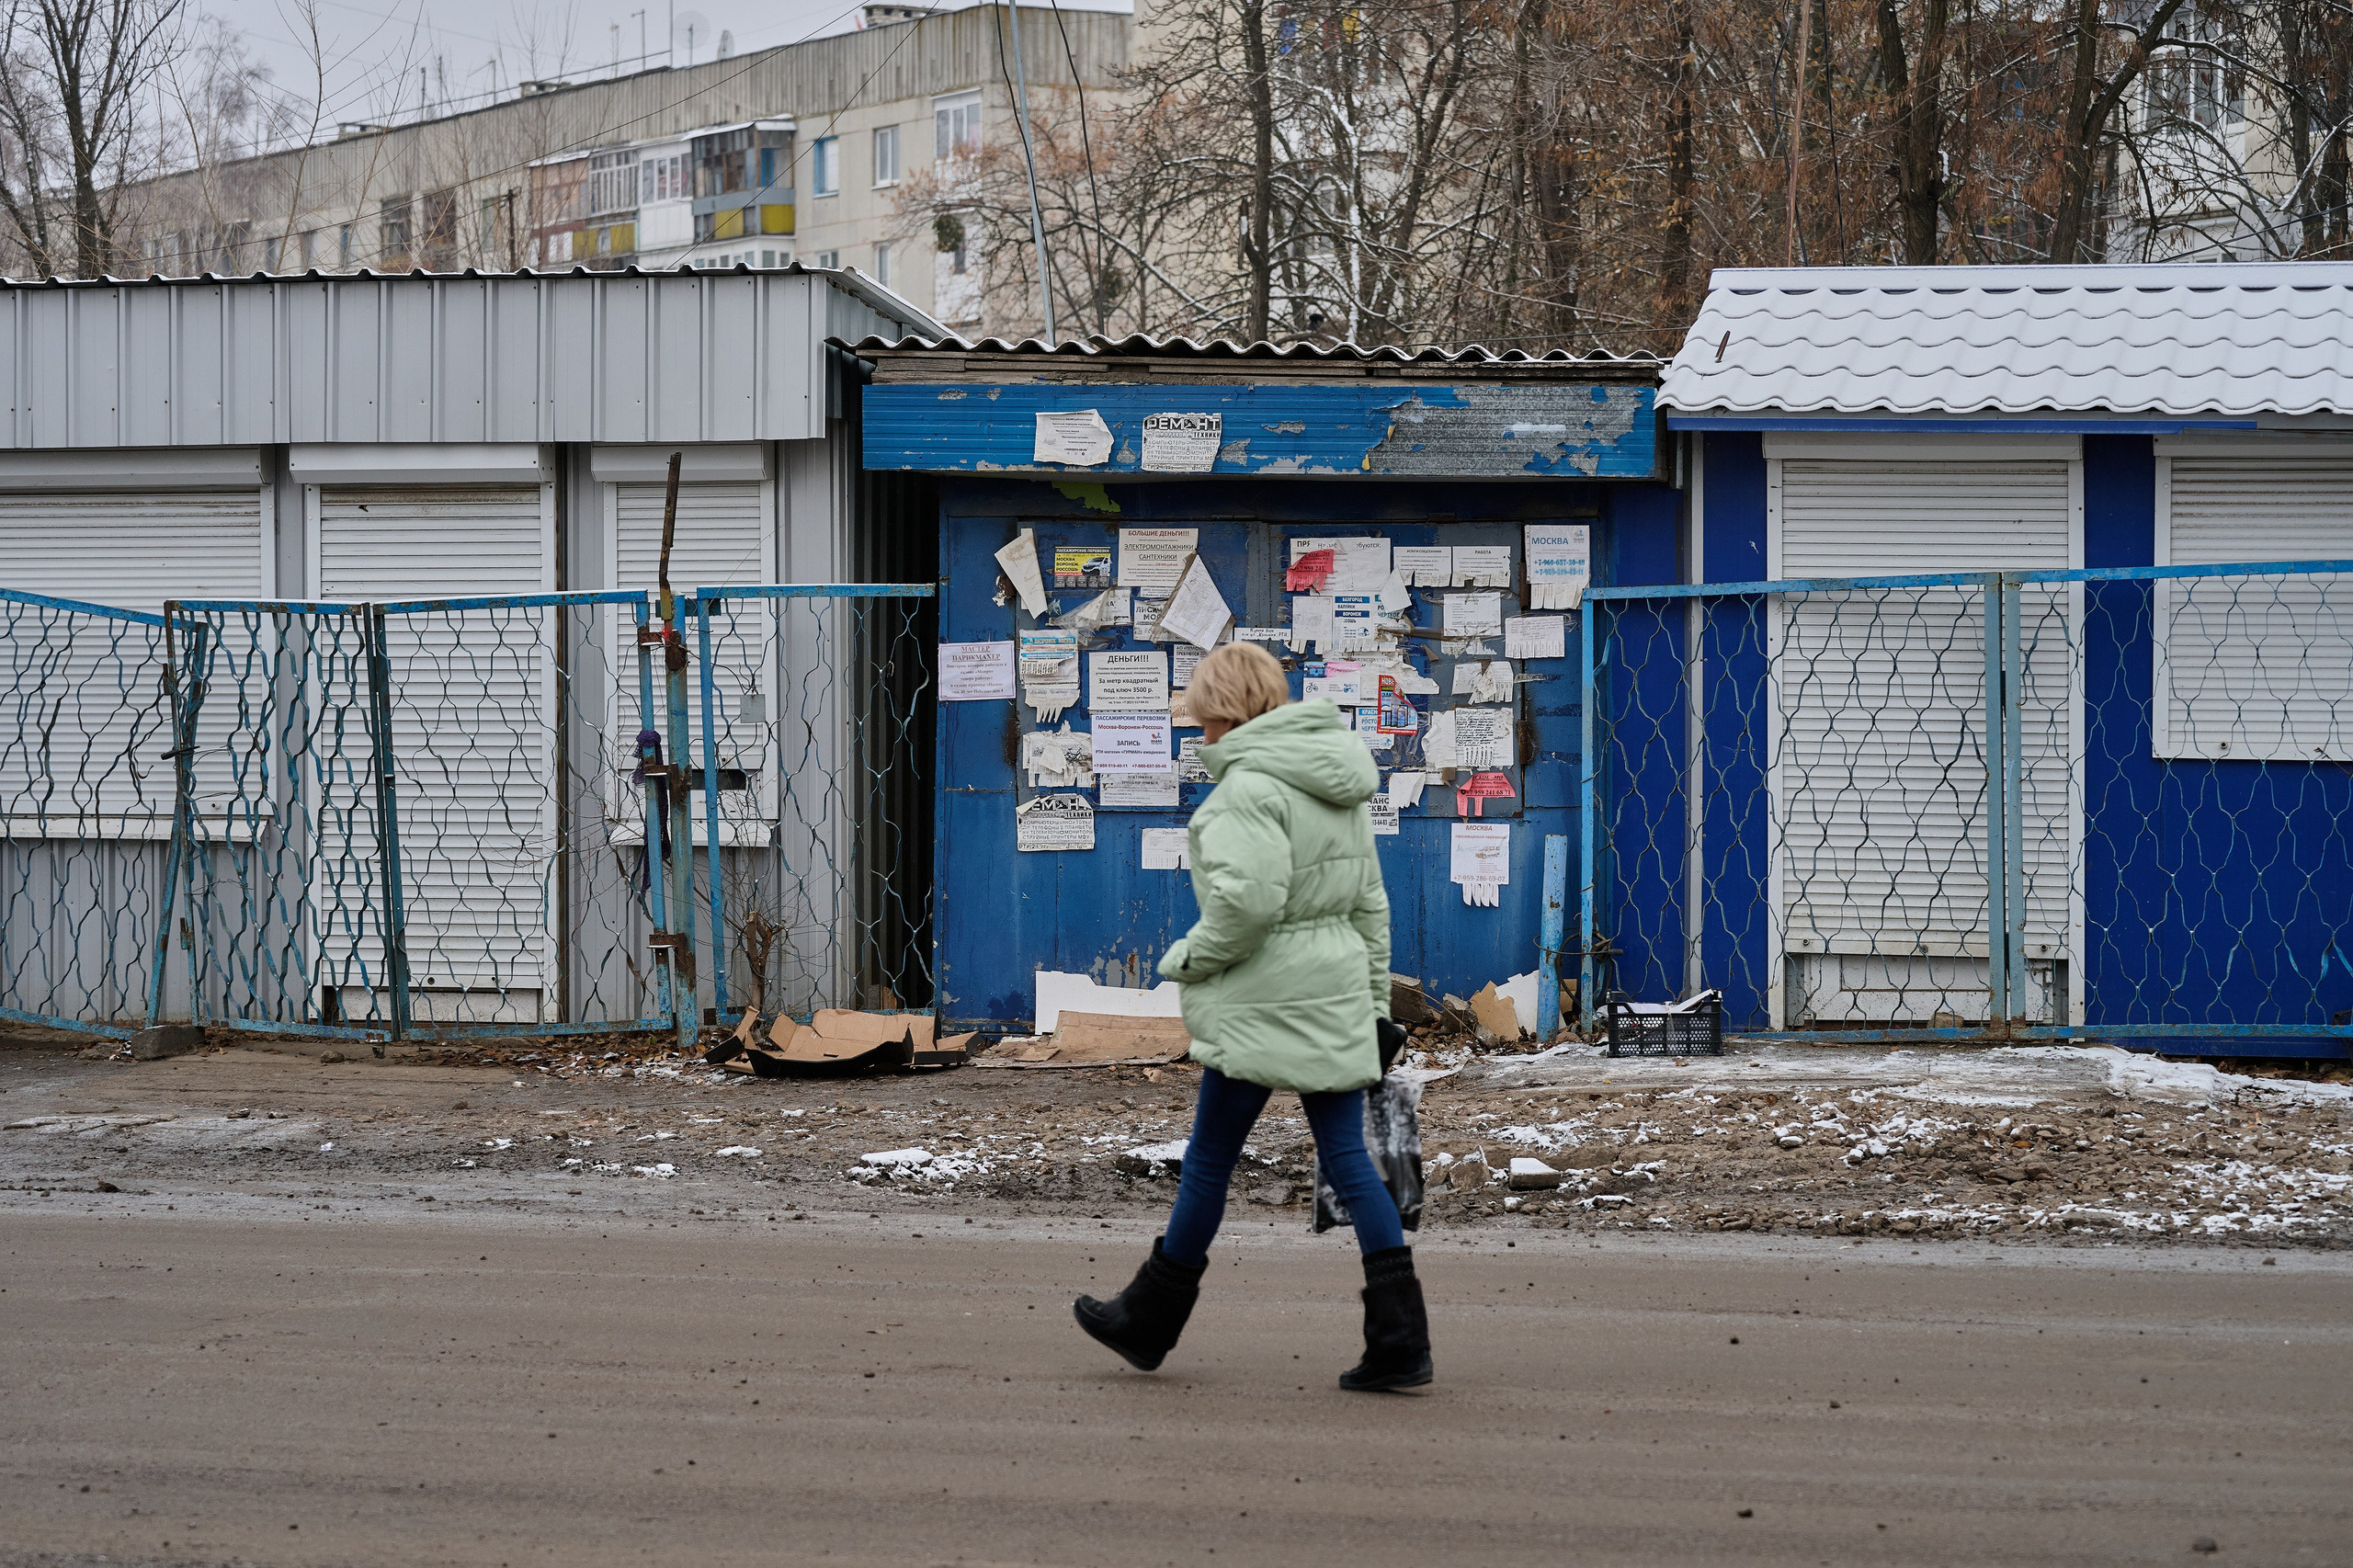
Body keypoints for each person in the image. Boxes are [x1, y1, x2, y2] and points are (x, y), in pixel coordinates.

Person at [1073, 640, 1430, 1392]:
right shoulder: (1336, 785)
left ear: (1224, 716)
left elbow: (1246, 905)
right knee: (1350, 1163)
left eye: (1202, 721)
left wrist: (1186, 960)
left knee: (1209, 1162)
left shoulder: (1243, 792)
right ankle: (1401, 1338)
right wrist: (1371, 1008)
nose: (1198, 735)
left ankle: (1149, 1322)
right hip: (1330, 1000)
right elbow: (1371, 905)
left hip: (1263, 1006)